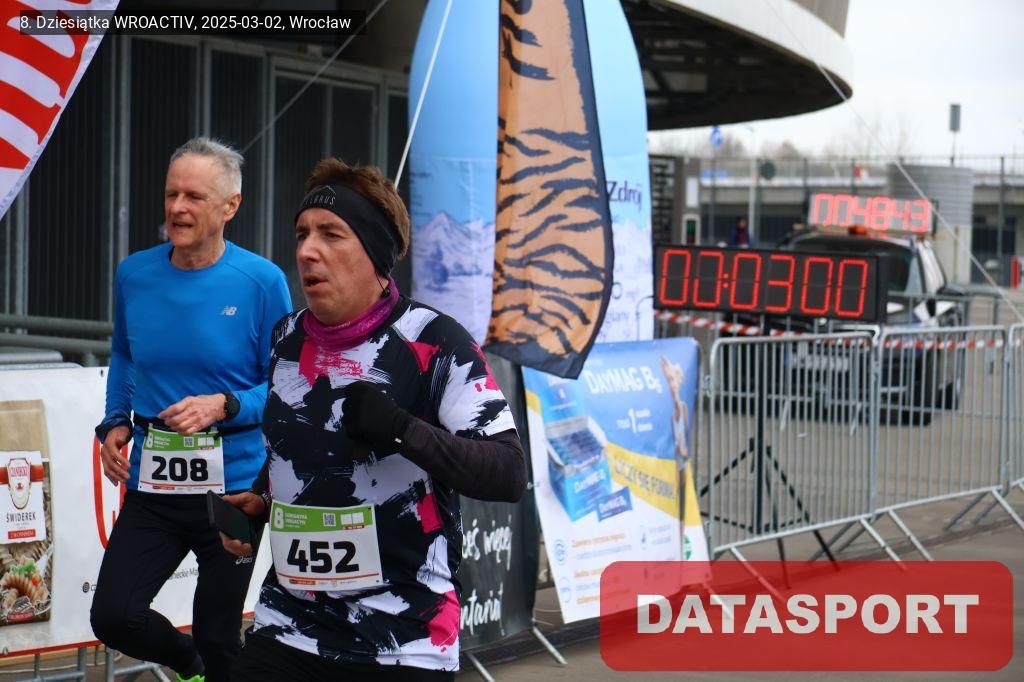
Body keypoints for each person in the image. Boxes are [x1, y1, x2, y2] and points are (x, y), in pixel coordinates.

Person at [221, 158, 527, 680]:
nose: (307, 250)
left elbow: (508, 472)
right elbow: (296, 449)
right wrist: (262, 503)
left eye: (330, 234)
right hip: (290, 626)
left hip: (402, 639)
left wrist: (402, 429)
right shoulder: (287, 338)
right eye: (302, 234)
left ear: (376, 254)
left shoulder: (434, 341)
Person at [90, 137, 292, 682]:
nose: (178, 207)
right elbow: (124, 353)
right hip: (154, 483)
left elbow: (285, 387)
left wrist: (224, 405)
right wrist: (115, 421)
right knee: (114, 616)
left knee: (219, 635)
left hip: (235, 489)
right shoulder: (134, 274)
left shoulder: (262, 282)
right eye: (171, 194)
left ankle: (208, 659)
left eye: (194, 197)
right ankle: (187, 663)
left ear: (230, 206)